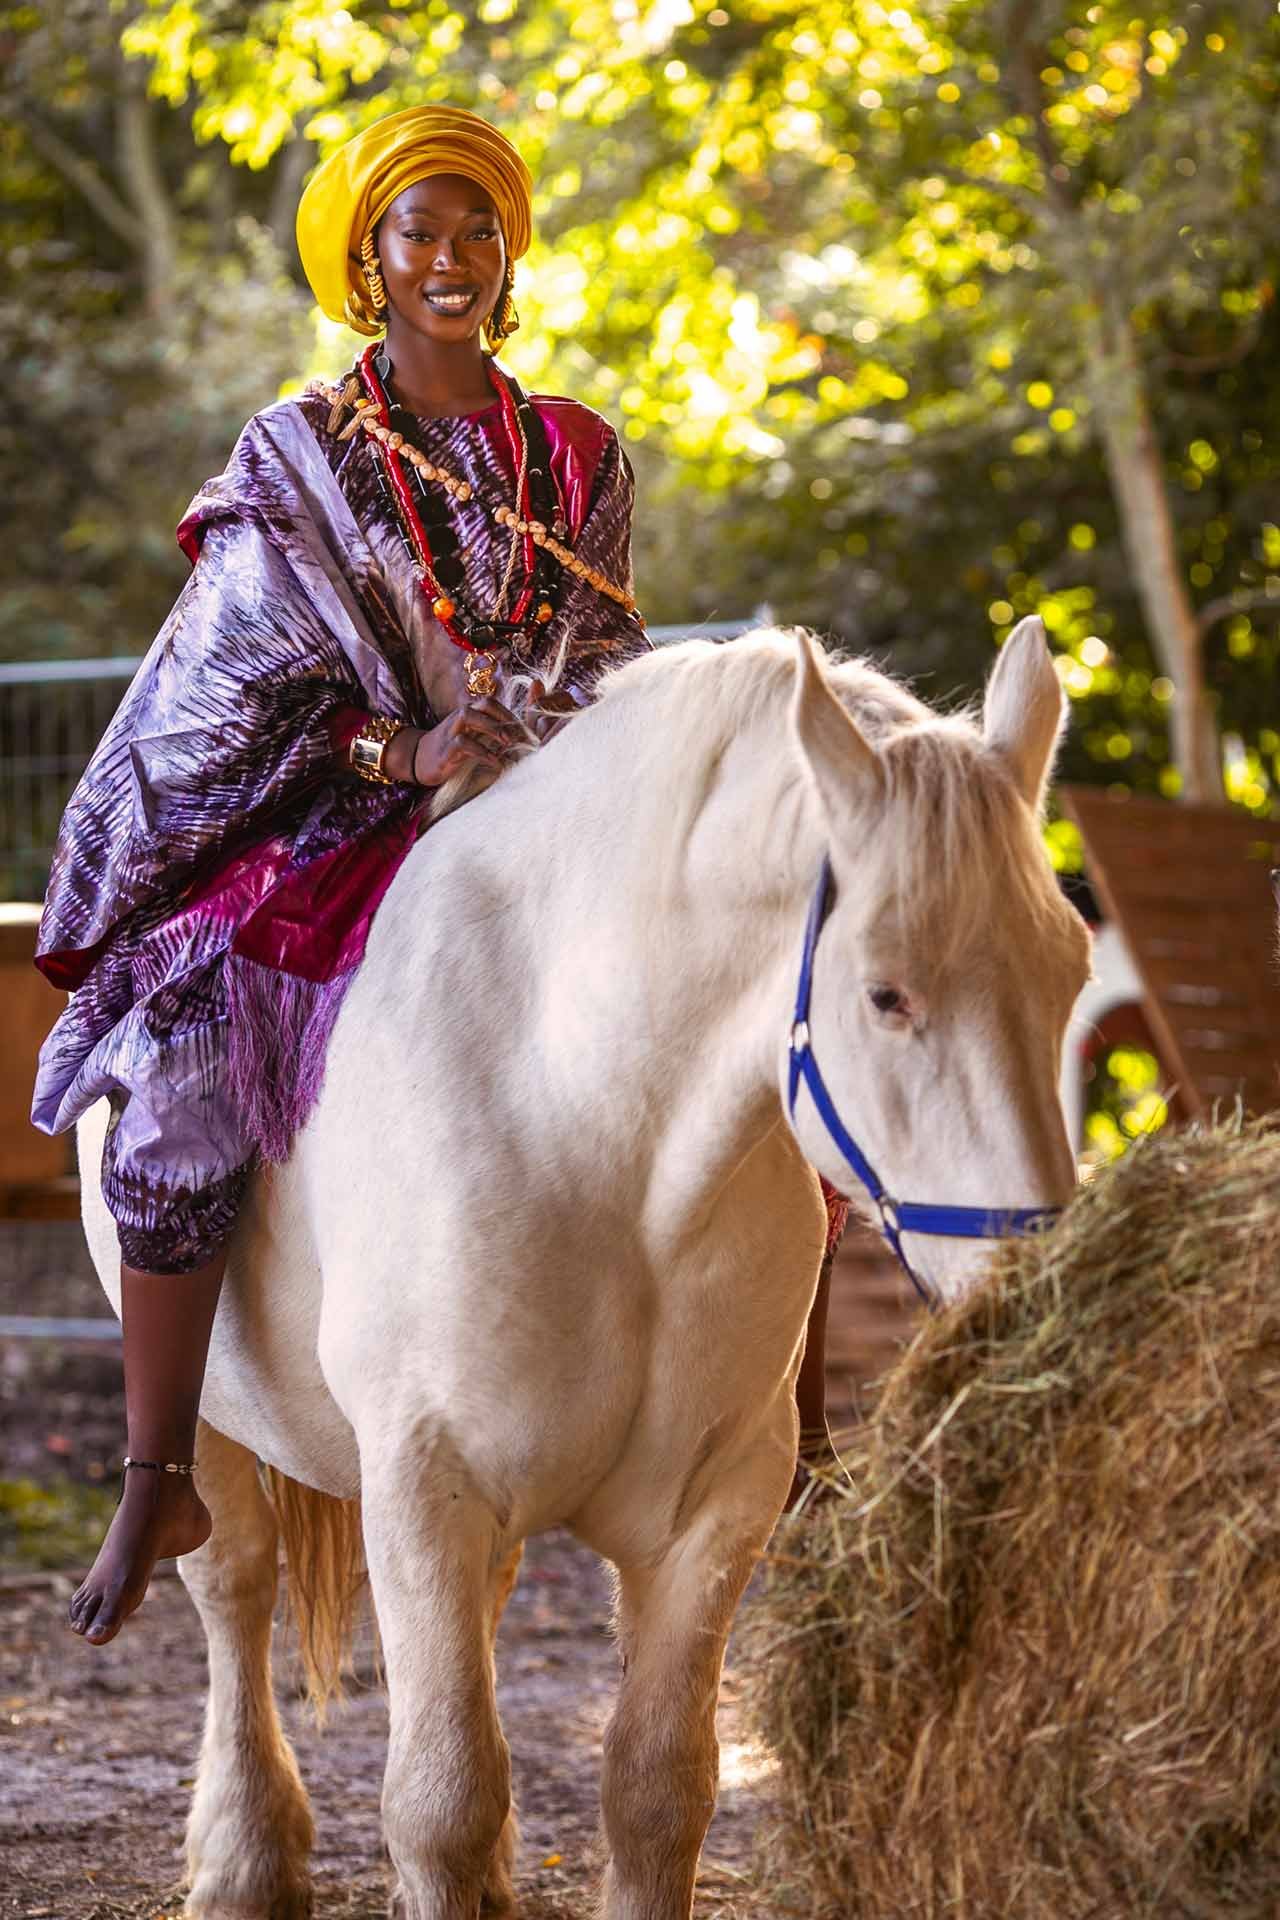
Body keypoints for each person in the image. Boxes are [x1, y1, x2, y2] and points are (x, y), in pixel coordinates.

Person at [33, 104, 842, 1646]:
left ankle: (743, 1426)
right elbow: (236, 686)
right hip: (331, 822)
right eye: (421, 232)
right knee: (191, 1069)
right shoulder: (298, 454)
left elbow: (607, 661)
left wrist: (543, 739)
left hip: (543, 816)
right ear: (370, 262)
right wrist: (400, 756)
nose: (453, 257)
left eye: (479, 229)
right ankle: (156, 1469)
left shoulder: (580, 452)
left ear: (509, 250)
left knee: (742, 1049)